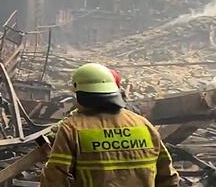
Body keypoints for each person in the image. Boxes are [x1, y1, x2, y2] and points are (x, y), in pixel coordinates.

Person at [40, 63, 179, 187]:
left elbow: (54, 177)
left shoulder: (72, 128)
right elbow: (168, 177)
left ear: (78, 91)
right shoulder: (143, 124)